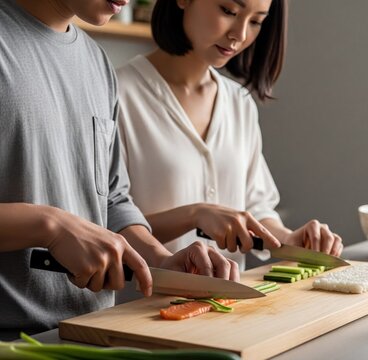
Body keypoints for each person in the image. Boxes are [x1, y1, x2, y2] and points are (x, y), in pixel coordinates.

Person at [0, 0, 241, 341]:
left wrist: (160, 260)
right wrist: (50, 226)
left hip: (95, 332)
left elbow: (111, 199)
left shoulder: (97, 63)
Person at [117, 0, 344, 271]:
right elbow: (106, 221)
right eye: (229, 11)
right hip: (141, 308)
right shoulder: (117, 94)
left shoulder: (239, 102)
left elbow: (256, 209)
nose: (240, 34)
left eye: (256, 21)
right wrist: (194, 215)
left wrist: (290, 239)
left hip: (230, 306)